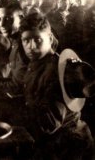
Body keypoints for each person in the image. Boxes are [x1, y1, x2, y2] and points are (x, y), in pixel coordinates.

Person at [19, 12, 93, 159]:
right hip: (55, 142)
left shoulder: (58, 70)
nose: (31, 46)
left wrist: (5, 107)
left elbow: (48, 124)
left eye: (38, 39)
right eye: (26, 40)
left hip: (69, 147)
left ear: (50, 38)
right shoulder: (38, 63)